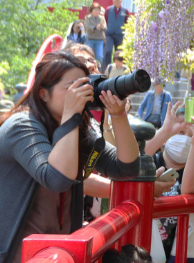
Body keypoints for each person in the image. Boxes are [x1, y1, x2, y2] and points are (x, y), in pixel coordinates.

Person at [0, 51, 140, 263]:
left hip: (62, 252)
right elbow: (57, 179)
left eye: (83, 85)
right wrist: (71, 118)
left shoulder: (77, 126)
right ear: (43, 94)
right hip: (19, 255)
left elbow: (125, 168)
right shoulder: (22, 126)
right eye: (71, 87)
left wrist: (118, 115)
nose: (81, 93)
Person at [145, 101, 194, 263]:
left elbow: (189, 189)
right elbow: (129, 165)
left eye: (191, 136)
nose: (185, 140)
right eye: (180, 132)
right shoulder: (149, 161)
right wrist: (165, 131)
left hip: (182, 252)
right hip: (145, 247)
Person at [103, 0, 129, 72]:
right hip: (109, 34)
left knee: (120, 53)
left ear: (121, 0)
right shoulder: (108, 9)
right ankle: (106, 70)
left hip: (120, 35)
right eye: (116, 0)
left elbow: (127, 22)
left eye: (119, 0)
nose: (117, 2)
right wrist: (104, 34)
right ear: (113, 0)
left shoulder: (125, 10)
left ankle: (119, 70)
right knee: (108, 51)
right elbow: (105, 21)